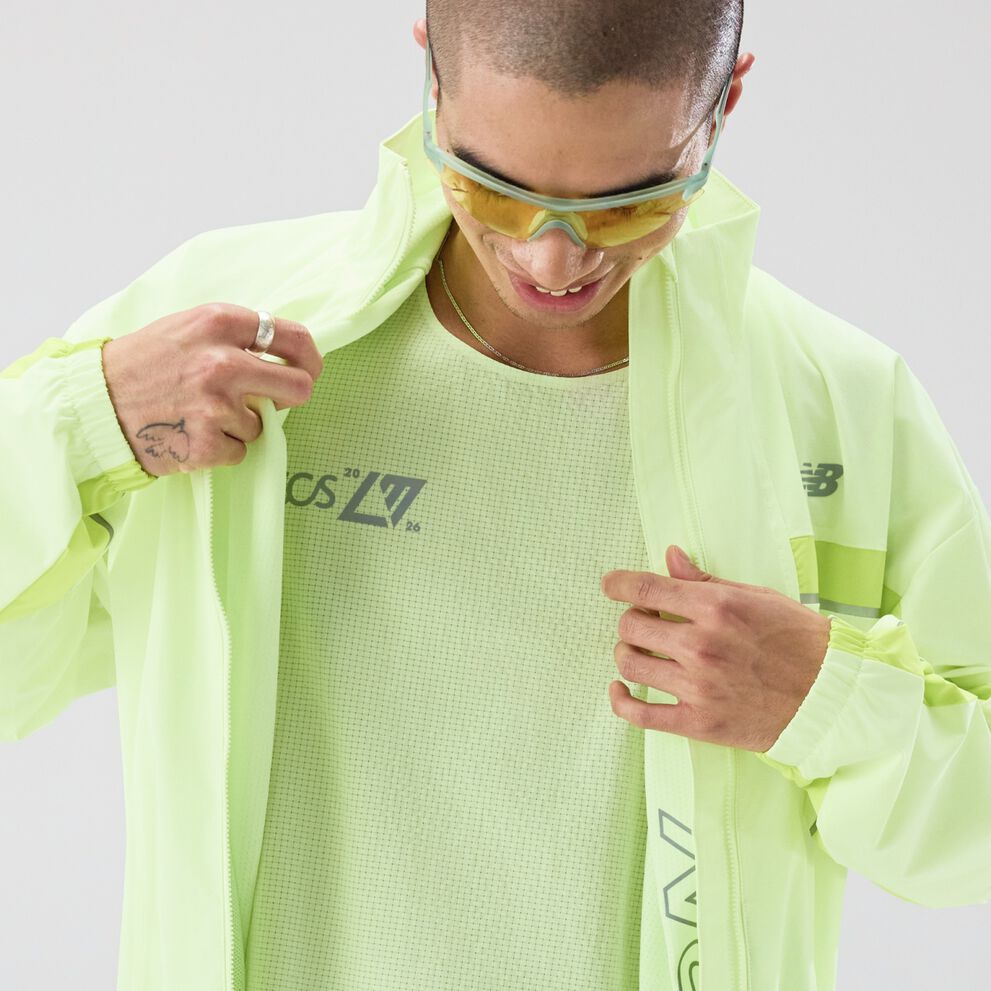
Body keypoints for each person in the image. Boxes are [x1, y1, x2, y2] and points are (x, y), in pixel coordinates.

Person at [2, 2, 990, 989]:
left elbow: (970, 844)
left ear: (724, 103)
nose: (552, 259)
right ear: (431, 78)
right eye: (494, 189)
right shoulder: (220, 334)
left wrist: (823, 699)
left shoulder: (838, 408)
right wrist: (79, 425)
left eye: (629, 204)